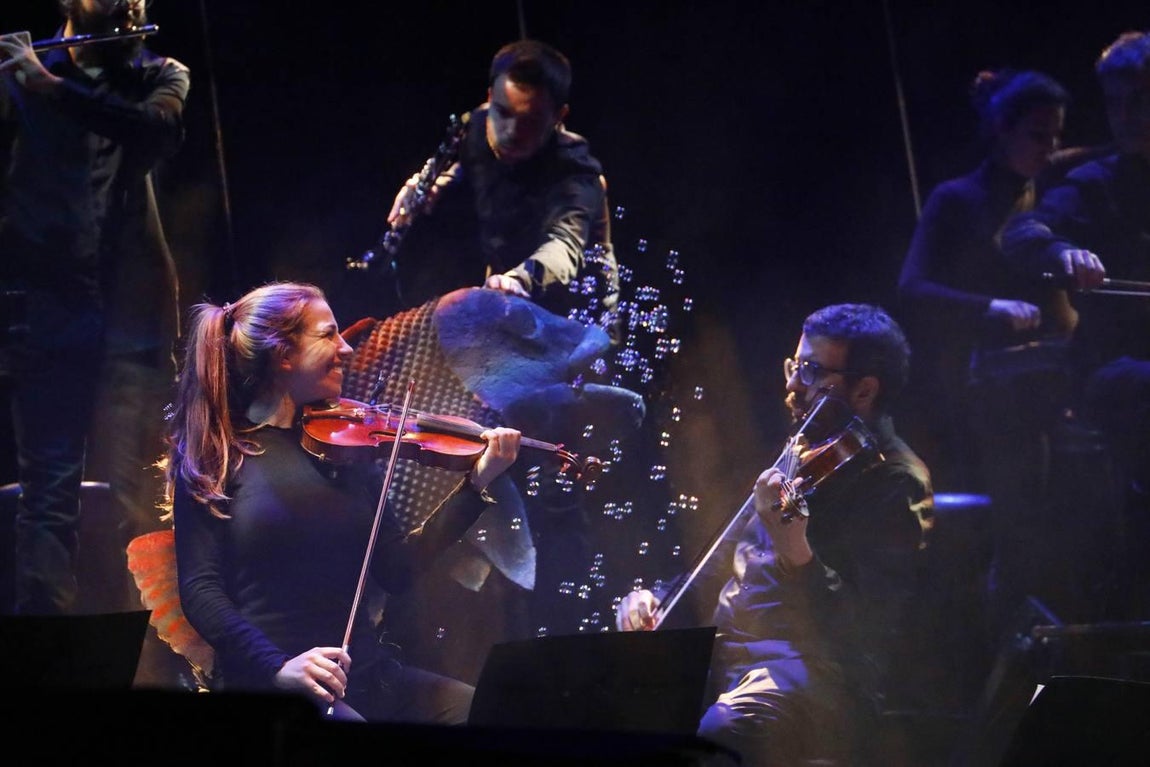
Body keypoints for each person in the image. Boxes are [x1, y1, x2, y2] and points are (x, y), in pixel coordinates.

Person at [167, 281, 523, 722]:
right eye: (328, 334)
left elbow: (396, 569)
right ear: (284, 355)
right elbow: (201, 591)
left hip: (367, 675)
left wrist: (475, 485)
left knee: (491, 712)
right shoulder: (218, 456)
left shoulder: (344, 448)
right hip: (272, 682)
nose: (346, 349)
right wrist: (277, 669)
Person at [616, 304, 933, 767]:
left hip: (818, 674)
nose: (792, 385)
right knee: (601, 689)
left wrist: (797, 554)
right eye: (795, 365)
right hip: (730, 652)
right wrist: (660, 599)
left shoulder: (897, 482)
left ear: (864, 390)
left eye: (811, 371)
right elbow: (725, 557)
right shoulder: (802, 446)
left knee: (723, 733)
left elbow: (868, 628)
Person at [0, 0, 189, 615]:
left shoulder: (160, 76)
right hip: (47, 314)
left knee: (138, 499)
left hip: (132, 320)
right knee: (48, 500)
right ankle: (53, 668)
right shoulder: (18, 72)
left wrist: (48, 87)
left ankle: (150, 664)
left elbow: (155, 131)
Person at [1000, 29, 1150, 621]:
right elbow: (1024, 234)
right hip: (1113, 365)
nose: (1125, 116)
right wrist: (1059, 254)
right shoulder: (1096, 183)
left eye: (1140, 98)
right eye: (1115, 101)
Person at [896, 68, 1075, 494]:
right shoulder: (956, 198)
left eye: (1056, 137)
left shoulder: (1052, 190)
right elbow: (912, 286)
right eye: (1037, 136)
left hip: (1056, 372)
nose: (1050, 149)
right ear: (1002, 131)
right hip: (985, 377)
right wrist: (991, 307)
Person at [380, 38, 619, 328]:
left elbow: (564, 246)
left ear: (559, 117)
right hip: (508, 303)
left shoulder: (577, 172)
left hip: (578, 323)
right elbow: (467, 161)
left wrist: (518, 279)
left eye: (529, 121)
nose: (511, 132)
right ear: (491, 96)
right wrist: (434, 183)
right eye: (503, 113)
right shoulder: (477, 124)